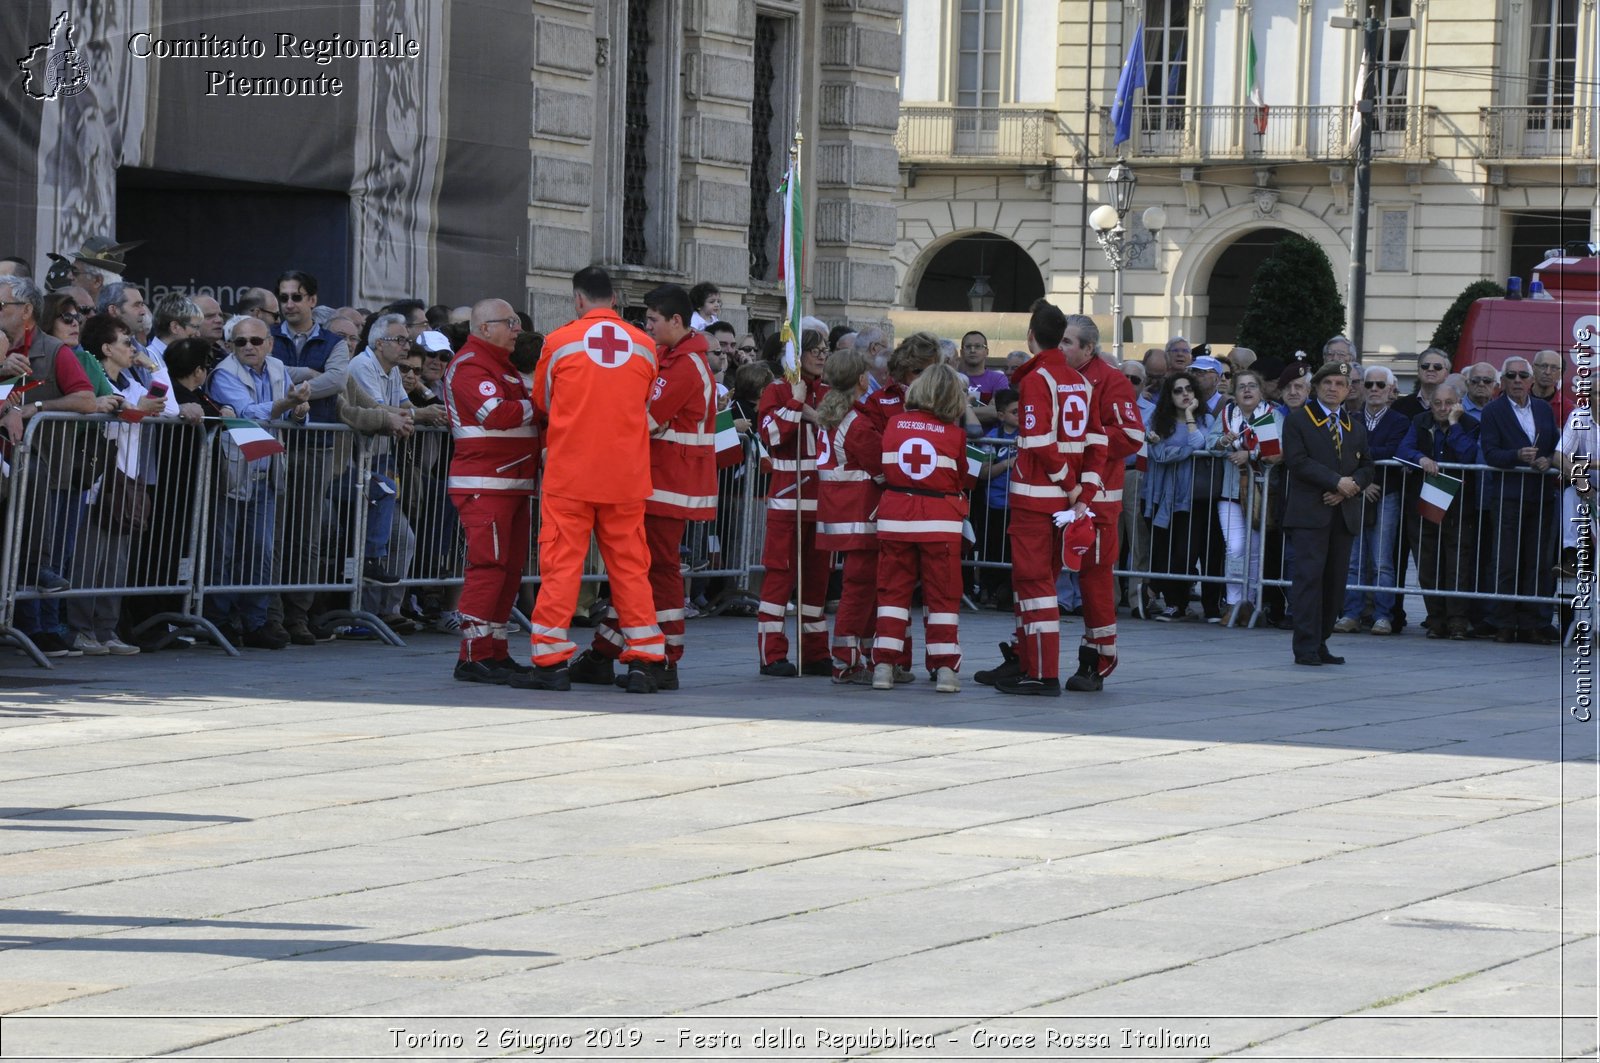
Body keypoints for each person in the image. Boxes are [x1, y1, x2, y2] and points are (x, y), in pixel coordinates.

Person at [523, 267, 668, 693]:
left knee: (561, 567)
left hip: (572, 473)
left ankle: (550, 663)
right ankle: (644, 661)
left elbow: (543, 400)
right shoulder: (644, 346)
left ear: (578, 300)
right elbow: (642, 401)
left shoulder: (560, 341)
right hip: (625, 475)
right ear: (616, 299)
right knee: (630, 570)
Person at [567, 283, 715, 691]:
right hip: (656, 479)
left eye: (652, 320)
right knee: (634, 571)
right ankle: (604, 651)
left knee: (657, 571)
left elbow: (643, 417)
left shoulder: (684, 365)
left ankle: (665, 657)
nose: (646, 327)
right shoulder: (672, 357)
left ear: (676, 321)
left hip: (667, 483)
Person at [975, 300, 1104, 697]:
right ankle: (1030, 665)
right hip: (1063, 503)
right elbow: (1098, 441)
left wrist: (1071, 488)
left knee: (1034, 587)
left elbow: (1039, 442)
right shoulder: (1081, 381)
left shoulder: (1037, 379)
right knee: (1042, 584)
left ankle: (1042, 673)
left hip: (1036, 499)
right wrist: (1086, 491)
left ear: (1031, 336)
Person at [441, 298, 540, 682]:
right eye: (510, 322)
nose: (517, 329)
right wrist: (540, 400)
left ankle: (495, 651)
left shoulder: (504, 369)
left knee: (509, 570)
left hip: (512, 484)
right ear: (485, 328)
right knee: (489, 568)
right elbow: (496, 414)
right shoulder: (470, 367)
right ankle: (473, 655)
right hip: (486, 484)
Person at [206, 315, 310, 650]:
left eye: (255, 340)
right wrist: (288, 405)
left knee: (261, 552)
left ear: (270, 342)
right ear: (230, 345)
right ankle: (218, 621)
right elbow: (249, 414)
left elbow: (293, 414)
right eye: (240, 342)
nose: (248, 347)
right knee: (224, 550)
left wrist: (298, 411)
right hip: (234, 471)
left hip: (268, 471)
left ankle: (256, 622)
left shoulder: (279, 367)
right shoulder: (223, 373)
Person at [872, 364, 975, 693]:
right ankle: (946, 670)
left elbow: (885, 468)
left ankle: (884, 667)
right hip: (939, 522)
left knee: (892, 595)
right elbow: (961, 478)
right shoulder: (954, 434)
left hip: (896, 519)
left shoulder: (893, 425)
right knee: (943, 597)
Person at [68, 314, 164, 656]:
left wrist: (152, 366)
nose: (133, 349)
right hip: (97, 482)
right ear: (107, 348)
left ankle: (106, 630)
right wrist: (138, 408)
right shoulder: (97, 381)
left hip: (127, 482)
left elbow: (168, 406)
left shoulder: (132, 383)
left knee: (115, 561)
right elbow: (119, 410)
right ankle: (81, 630)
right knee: (88, 559)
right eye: (127, 342)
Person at [1058, 315, 1141, 692]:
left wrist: (1083, 437)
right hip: (1053, 495)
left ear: (1089, 348)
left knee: (1094, 584)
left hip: (1096, 501)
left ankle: (1096, 659)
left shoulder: (1111, 380)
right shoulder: (1051, 378)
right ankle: (1026, 656)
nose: (1059, 348)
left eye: (1067, 342)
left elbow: (1130, 435)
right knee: (1034, 578)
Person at [1281, 361, 1374, 666]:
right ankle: (1305, 645)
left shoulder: (1355, 427)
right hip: (1310, 513)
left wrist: (1349, 487)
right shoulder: (1299, 421)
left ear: (1349, 390)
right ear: (1316, 387)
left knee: (1334, 582)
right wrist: (1335, 481)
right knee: (1309, 580)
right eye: (1327, 383)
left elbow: (1367, 467)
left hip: (1342, 512)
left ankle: (1321, 641)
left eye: (1340, 384)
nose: (1333, 388)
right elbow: (1297, 461)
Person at [754, 328, 832, 677]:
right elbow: (770, 435)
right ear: (795, 356)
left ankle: (815, 653)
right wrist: (796, 403)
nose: (821, 355)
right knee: (779, 581)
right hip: (789, 501)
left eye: (824, 349)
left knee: (817, 583)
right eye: (814, 350)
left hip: (824, 502)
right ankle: (772, 654)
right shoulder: (778, 390)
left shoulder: (831, 392)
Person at [1479, 355, 1560, 644]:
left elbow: (1555, 447)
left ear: (1531, 380)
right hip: (1508, 496)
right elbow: (1489, 453)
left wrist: (1546, 460)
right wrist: (1516, 456)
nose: (1517, 381)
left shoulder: (1543, 409)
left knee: (1537, 563)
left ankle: (1532, 623)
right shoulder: (1493, 411)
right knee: (1506, 562)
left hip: (1541, 497)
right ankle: (1502, 622)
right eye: (1511, 376)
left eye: (1522, 376)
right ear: (1502, 381)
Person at [812, 348, 881, 684]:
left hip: (838, 511)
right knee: (858, 589)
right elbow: (881, 467)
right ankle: (847, 661)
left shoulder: (831, 416)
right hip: (860, 513)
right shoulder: (857, 423)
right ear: (861, 380)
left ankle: (860, 655)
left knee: (860, 588)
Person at [1397, 379, 1480, 639]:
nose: (1442, 408)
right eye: (1437, 403)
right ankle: (1435, 619)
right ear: (1430, 404)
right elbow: (1404, 448)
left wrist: (1455, 425)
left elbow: (1469, 455)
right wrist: (1420, 458)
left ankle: (1457, 621)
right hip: (1425, 499)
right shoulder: (1420, 421)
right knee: (1427, 561)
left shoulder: (1470, 424)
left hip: (1459, 502)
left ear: (1458, 404)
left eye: (1449, 403)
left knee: (1458, 563)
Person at [1333, 366, 1409, 635]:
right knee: (1353, 559)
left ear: (1391, 390)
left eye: (1380, 385)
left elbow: (1395, 450)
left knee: (1381, 560)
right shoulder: (1351, 418)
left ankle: (1382, 615)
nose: (1374, 389)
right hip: (1355, 493)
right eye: (1370, 384)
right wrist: (1363, 480)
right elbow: (1342, 452)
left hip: (1387, 494)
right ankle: (1351, 613)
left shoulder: (1400, 421)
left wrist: (1361, 457)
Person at [1206, 368, 1279, 626]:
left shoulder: (1271, 415)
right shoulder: (1227, 415)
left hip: (1259, 492)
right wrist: (1223, 442)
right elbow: (1209, 443)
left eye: (1252, 386)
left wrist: (1250, 455)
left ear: (1260, 391)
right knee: (1236, 547)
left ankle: (1250, 603)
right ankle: (1233, 602)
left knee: (1255, 549)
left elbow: (1275, 451)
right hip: (1230, 491)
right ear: (1234, 393)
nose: (1247, 390)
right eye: (1241, 387)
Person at [1141, 372, 1211, 623]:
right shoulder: (1158, 419)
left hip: (1191, 496)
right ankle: (1163, 599)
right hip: (1160, 494)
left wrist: (1190, 417)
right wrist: (1184, 451)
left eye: (1188, 389)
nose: (1185, 394)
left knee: (1184, 551)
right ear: (1169, 396)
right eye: (1178, 390)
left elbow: (1201, 443)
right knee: (1161, 549)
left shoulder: (1205, 418)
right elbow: (1157, 453)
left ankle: (1178, 603)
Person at [973, 388, 1019, 610]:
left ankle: (1008, 592)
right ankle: (988, 589)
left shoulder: (1029, 436)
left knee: (1013, 552)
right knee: (991, 549)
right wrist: (1006, 464)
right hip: (995, 503)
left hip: (1019, 504)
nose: (1021, 416)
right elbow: (982, 472)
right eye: (1014, 412)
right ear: (1001, 415)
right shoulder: (992, 437)